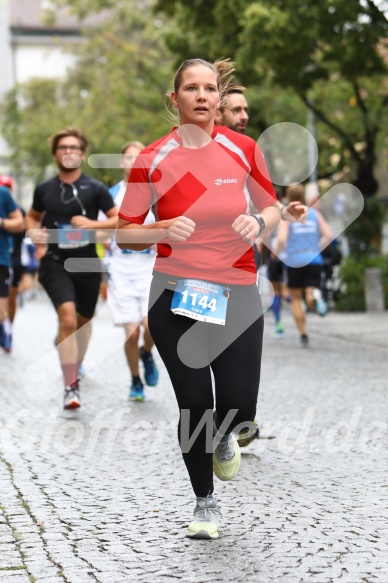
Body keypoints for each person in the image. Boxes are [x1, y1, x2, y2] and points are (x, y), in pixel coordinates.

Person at [116, 58, 280, 539]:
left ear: (219, 96)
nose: (203, 96)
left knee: (239, 405)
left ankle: (227, 434)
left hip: (237, 290)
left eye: (210, 88)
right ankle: (205, 504)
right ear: (176, 99)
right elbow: (125, 234)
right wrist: (162, 228)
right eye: (192, 88)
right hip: (175, 293)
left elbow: (269, 205)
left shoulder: (243, 149)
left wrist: (260, 222)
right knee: (194, 403)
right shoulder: (152, 158)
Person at [26, 127, 118, 409]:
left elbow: (117, 221)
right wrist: (33, 233)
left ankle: (73, 359)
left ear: (83, 152)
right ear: (55, 153)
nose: (69, 151)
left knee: (82, 323)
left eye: (74, 147)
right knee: (67, 319)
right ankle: (71, 385)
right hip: (55, 263)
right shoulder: (45, 189)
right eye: (63, 147)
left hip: (88, 261)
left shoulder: (96, 189)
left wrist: (92, 224)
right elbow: (32, 217)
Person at [106, 141, 158, 401]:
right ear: (121, 162)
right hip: (120, 268)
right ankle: (135, 379)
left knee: (153, 326)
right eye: (129, 158)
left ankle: (147, 353)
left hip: (150, 265)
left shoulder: (156, 192)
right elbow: (103, 228)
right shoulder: (111, 193)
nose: (134, 162)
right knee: (132, 332)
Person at [275, 183, 333, 347]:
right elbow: (328, 235)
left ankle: (303, 333)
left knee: (295, 299)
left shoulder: (287, 216)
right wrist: (316, 249)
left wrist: (277, 254)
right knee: (310, 292)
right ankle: (315, 297)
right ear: (304, 197)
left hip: (294, 261)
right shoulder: (315, 214)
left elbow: (281, 239)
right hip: (314, 260)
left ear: (288, 197)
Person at [0, 177, 24, 352]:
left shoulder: (4, 197)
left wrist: (2, 222)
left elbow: (21, 224)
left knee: (8, 303)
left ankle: (8, 328)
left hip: (7, 260)